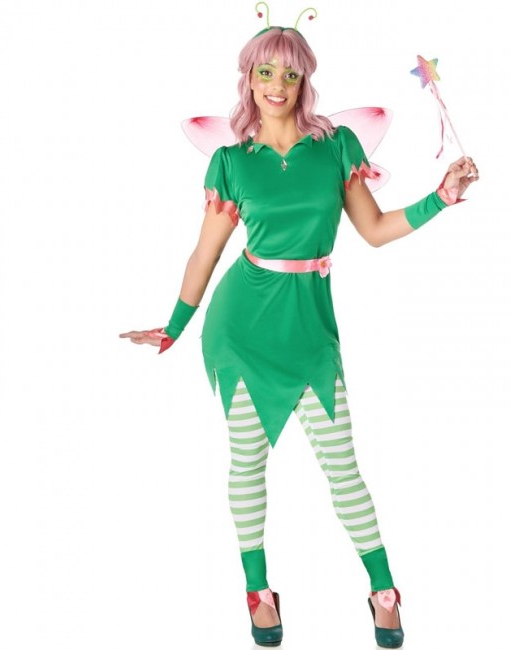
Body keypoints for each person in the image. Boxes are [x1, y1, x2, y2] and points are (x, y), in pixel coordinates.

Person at [120, 16, 478, 649]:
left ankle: (384, 590)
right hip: (240, 330)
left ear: (304, 80)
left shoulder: (337, 147)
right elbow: (205, 254)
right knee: (248, 461)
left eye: (289, 73)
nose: (277, 85)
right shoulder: (231, 163)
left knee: (343, 467)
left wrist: (441, 198)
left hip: (310, 330)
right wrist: (174, 326)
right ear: (248, 79)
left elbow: (374, 230)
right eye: (265, 71)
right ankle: (258, 592)